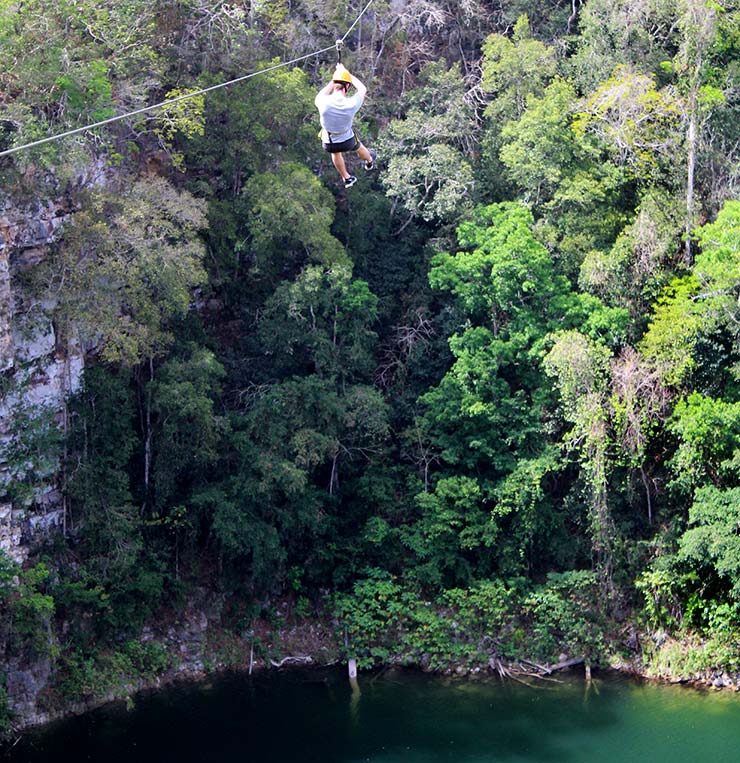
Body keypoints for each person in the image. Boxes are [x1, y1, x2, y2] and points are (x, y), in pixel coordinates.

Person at [315, 63, 376, 188]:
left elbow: (323, 92)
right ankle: (369, 161)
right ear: (347, 86)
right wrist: (346, 73)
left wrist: (335, 78)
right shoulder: (351, 104)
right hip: (346, 140)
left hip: (328, 142)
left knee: (335, 152)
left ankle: (346, 177)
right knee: (358, 146)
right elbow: (362, 89)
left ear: (334, 85)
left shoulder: (321, 101)